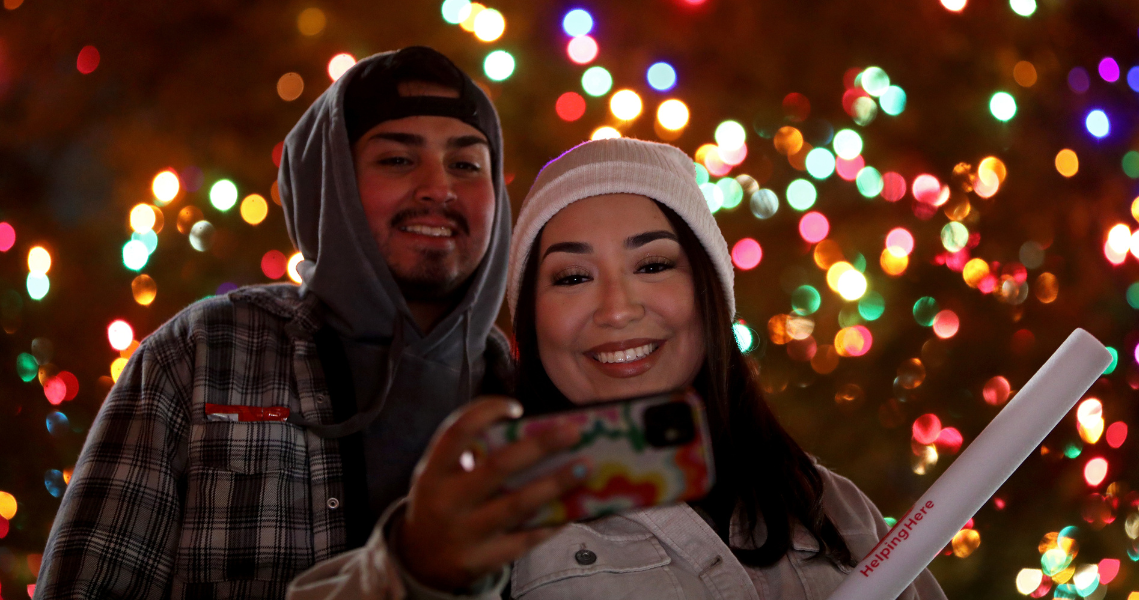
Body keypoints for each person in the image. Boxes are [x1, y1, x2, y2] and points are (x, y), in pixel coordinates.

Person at [287, 138, 947, 599]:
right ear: (532, 322)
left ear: (709, 293)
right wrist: (415, 571)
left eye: (654, 265)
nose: (616, 309)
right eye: (572, 276)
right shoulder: (486, 517)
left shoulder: (831, 507)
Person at [34, 46, 534, 599]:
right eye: (397, 159)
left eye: (466, 164)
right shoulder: (202, 355)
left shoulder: (529, 393)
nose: (438, 188)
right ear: (331, 184)